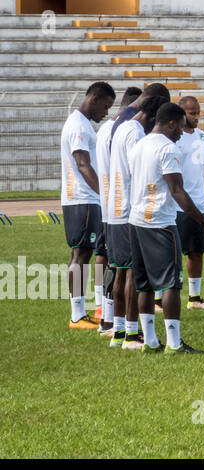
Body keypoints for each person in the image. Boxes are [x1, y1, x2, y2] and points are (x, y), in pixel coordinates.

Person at [127, 102, 204, 354]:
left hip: (137, 220)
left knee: (144, 284)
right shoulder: (167, 148)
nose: (181, 134)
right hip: (161, 223)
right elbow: (177, 190)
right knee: (171, 284)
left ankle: (150, 341)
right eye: (180, 128)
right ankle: (174, 343)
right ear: (172, 123)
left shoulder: (139, 144)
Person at [106, 89, 170, 349]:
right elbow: (138, 169)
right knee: (133, 272)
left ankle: (120, 330)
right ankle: (132, 333)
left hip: (115, 209)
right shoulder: (135, 133)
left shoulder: (122, 126)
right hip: (128, 209)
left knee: (122, 271)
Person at [60, 82, 116, 330]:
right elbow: (83, 165)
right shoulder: (79, 126)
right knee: (81, 253)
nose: (105, 112)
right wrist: (104, 194)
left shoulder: (81, 124)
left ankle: (80, 312)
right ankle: (76, 315)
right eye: (105, 106)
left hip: (84, 198)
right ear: (93, 99)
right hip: (82, 199)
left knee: (83, 253)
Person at [94, 85, 140, 334]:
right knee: (121, 266)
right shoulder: (124, 129)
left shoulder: (105, 129)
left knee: (111, 262)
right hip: (120, 207)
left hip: (108, 205)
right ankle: (111, 319)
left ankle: (106, 314)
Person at [175, 96, 204, 310]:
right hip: (177, 205)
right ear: (181, 114)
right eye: (192, 113)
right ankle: (159, 298)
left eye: (198, 112)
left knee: (196, 251)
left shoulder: (202, 137)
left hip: (199, 204)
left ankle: (194, 298)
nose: (197, 117)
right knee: (172, 253)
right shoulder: (173, 138)